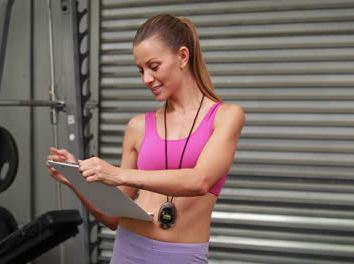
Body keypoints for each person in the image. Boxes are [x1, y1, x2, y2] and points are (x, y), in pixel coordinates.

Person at [46, 14, 244, 264]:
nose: (146, 79)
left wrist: (117, 174)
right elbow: (112, 218)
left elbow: (200, 180)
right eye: (141, 70)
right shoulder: (138, 126)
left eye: (154, 66)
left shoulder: (225, 116)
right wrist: (77, 181)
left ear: (183, 56)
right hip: (128, 251)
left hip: (182, 256)